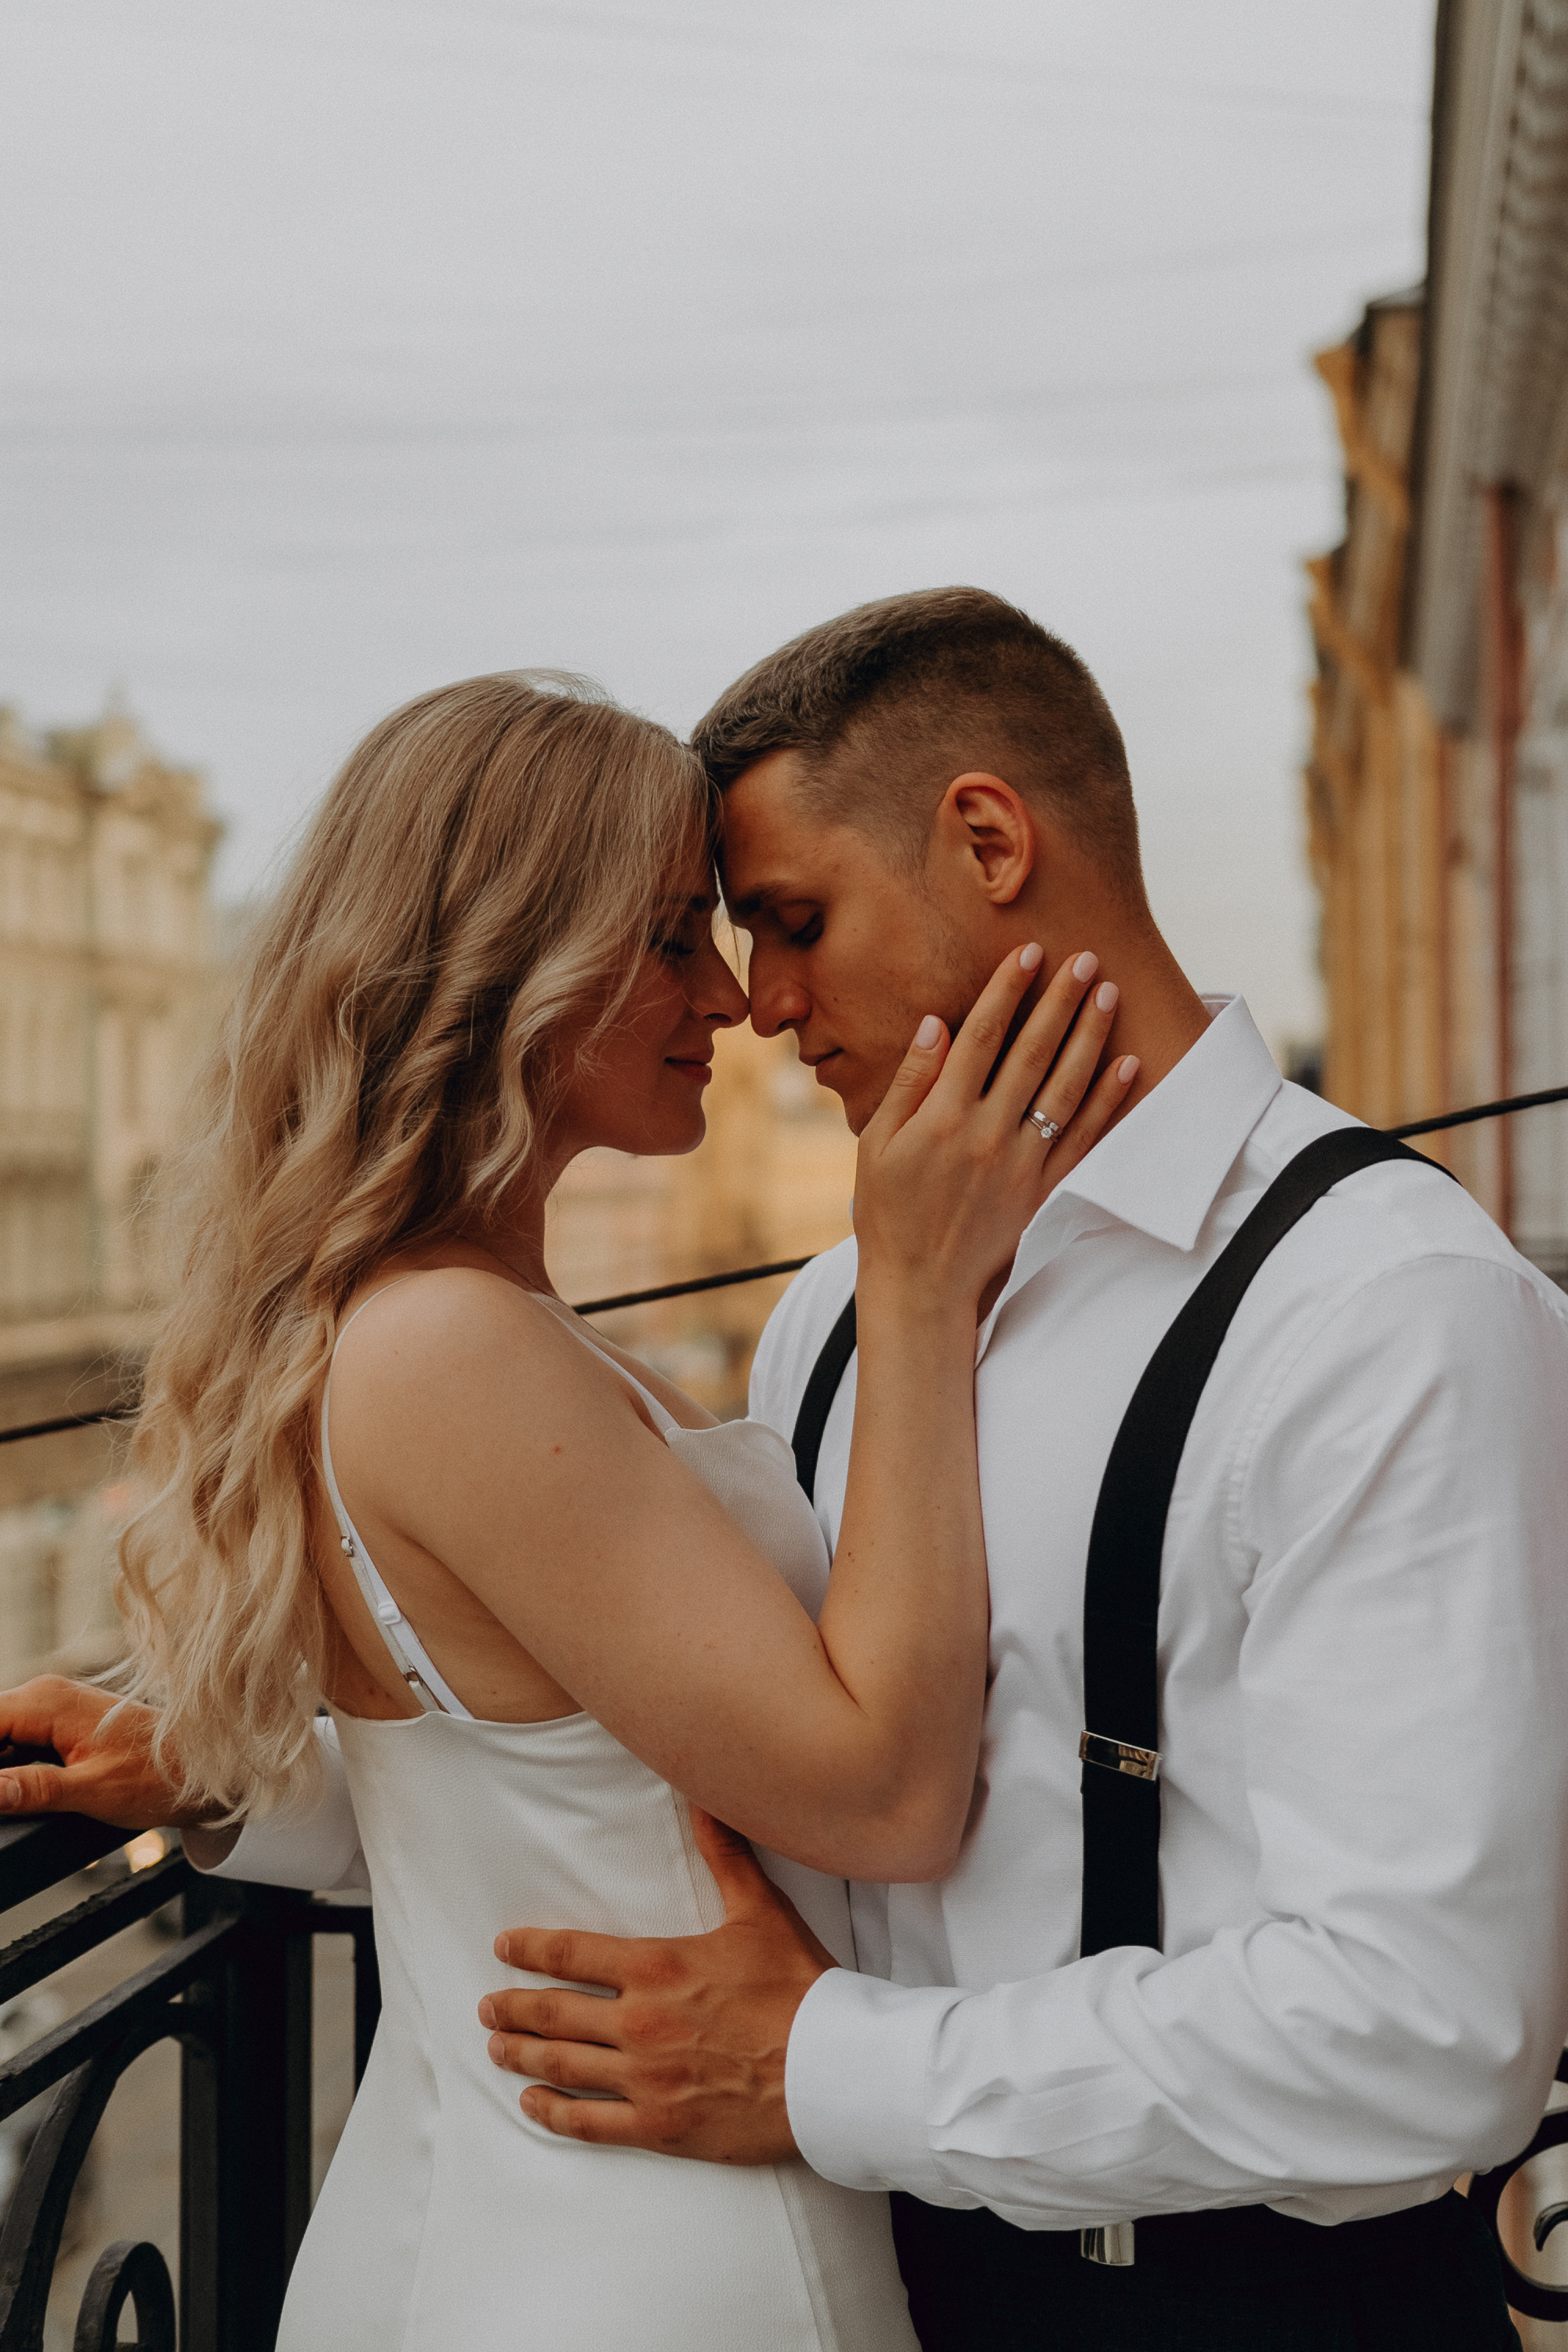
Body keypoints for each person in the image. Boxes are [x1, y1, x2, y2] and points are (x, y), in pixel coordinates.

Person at [9, 590, 1568, 2348]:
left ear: (986, 840)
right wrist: (272, 1789)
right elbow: (695, 1776)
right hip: (873, 2266)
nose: (755, 1004)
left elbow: (1428, 2026)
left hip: (1231, 2301)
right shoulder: (836, 1310)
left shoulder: (1382, 1309)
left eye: (785, 922)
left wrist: (822, 2065)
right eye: (704, 937)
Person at [0, 666, 1133, 2352]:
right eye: (675, 935)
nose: (737, 1001)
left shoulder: (427, 1320)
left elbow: (521, 1762)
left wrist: (230, 1784)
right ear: (509, 964)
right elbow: (883, 1797)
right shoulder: (456, 1348)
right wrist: (912, 1285)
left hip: (491, 2208)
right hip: (664, 2243)